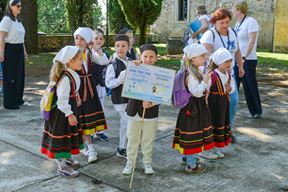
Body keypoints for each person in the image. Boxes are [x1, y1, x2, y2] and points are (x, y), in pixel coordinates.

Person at [200, 8, 245, 144]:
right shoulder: (209, 35)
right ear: (215, 22)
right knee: (217, 105)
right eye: (222, 23)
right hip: (215, 75)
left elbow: (236, 51)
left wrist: (240, 66)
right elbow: (206, 57)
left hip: (229, 74)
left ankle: (227, 129)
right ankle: (212, 132)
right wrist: (210, 76)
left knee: (233, 101)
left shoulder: (232, 32)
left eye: (227, 22)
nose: (225, 26)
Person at [41, 46, 83, 178]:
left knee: (67, 137)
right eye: (80, 59)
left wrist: (76, 95)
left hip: (67, 111)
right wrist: (69, 114)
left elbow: (71, 90)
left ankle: (65, 158)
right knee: (61, 137)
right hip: (61, 114)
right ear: (70, 61)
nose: (82, 61)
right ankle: (61, 166)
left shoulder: (71, 73)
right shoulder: (65, 78)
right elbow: (61, 101)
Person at [172, 43, 214, 173]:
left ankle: (188, 157)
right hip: (192, 109)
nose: (205, 58)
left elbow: (204, 88)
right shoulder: (190, 74)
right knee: (192, 135)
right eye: (202, 56)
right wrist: (206, 79)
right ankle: (191, 165)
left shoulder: (197, 71)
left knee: (195, 133)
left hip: (198, 107)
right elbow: (196, 92)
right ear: (192, 59)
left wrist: (206, 81)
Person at [122, 44, 159, 175]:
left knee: (148, 139)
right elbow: (124, 81)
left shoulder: (159, 74)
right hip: (133, 111)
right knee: (132, 138)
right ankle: (130, 163)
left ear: (156, 58)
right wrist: (131, 67)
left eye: (151, 56)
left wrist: (152, 102)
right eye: (145, 56)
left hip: (150, 112)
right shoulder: (134, 69)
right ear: (140, 57)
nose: (148, 59)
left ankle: (147, 163)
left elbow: (161, 93)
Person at [74, 27, 108, 163]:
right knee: (80, 119)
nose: (79, 41)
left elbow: (103, 61)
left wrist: (96, 48)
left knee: (87, 119)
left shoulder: (89, 52)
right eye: (77, 38)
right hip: (77, 89)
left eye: (82, 39)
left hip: (89, 89)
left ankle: (90, 148)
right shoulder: (71, 52)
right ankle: (86, 147)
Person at [233, 1, 262, 118]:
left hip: (248, 60)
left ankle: (256, 111)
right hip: (237, 60)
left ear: (239, 10)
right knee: (233, 85)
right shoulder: (237, 24)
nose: (232, 12)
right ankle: (229, 111)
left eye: (234, 9)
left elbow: (251, 42)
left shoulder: (251, 22)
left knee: (249, 86)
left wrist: (244, 57)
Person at [105, 34, 132, 158]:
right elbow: (109, 83)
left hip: (130, 98)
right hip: (120, 99)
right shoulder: (113, 64)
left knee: (127, 122)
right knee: (126, 122)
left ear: (128, 47)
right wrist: (119, 81)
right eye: (117, 46)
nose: (120, 48)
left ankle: (126, 145)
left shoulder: (130, 62)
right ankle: (122, 148)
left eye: (123, 46)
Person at [206, 47, 235, 158]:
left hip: (223, 103)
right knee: (212, 124)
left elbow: (232, 88)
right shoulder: (212, 75)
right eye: (226, 61)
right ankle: (209, 150)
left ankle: (217, 148)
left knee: (220, 124)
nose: (229, 63)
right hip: (213, 104)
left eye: (230, 61)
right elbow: (206, 88)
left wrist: (229, 88)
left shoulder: (227, 75)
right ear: (218, 62)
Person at [0, 0, 27, 109]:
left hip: (19, 49)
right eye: (17, 5)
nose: (20, 7)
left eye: (20, 5)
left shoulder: (18, 21)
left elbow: (21, 39)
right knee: (10, 76)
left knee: (19, 76)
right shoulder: (6, 20)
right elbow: (1, 38)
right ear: (11, 7)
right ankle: (10, 103)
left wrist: (24, 51)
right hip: (10, 50)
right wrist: (1, 53)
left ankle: (17, 99)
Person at [91, 28, 110, 141]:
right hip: (91, 85)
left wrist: (99, 51)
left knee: (101, 108)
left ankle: (100, 131)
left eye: (101, 38)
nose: (98, 40)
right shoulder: (88, 53)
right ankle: (91, 132)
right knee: (92, 108)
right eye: (96, 38)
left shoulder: (105, 54)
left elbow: (104, 61)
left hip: (101, 85)